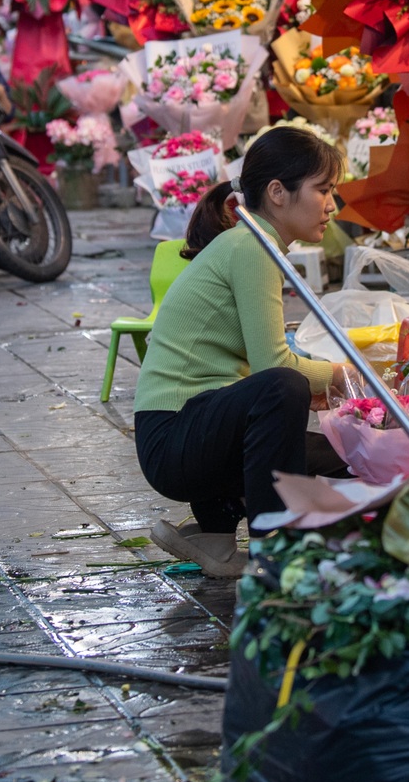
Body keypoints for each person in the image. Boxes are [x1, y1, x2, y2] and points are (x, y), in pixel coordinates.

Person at [133, 127, 353, 577]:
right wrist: (339, 374)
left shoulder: (249, 242)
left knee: (346, 458)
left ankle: (215, 528)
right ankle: (275, 549)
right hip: (171, 437)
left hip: (192, 430)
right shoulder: (252, 246)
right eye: (324, 190)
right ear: (277, 192)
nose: (332, 205)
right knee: (283, 387)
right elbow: (276, 366)